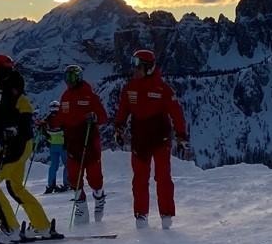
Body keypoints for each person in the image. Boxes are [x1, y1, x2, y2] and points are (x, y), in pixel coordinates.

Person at [0, 53, 61, 244]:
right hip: (20, 144)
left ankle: (10, 229)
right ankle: (41, 226)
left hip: (15, 145)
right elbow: (2, 117)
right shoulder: (8, 89)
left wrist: (14, 129)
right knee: (14, 186)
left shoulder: (11, 91)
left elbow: (24, 113)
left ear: (2, 70)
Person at [113, 49, 190, 230]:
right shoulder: (129, 88)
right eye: (134, 66)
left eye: (138, 66)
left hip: (160, 139)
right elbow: (123, 110)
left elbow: (176, 113)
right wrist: (119, 127)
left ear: (148, 68)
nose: (134, 70)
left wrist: (181, 135)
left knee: (162, 177)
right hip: (139, 140)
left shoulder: (162, 89)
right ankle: (141, 215)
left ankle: (166, 215)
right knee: (139, 179)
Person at [54, 64, 108, 221]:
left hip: (89, 143)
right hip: (72, 143)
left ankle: (99, 198)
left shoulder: (89, 96)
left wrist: (94, 117)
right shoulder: (65, 96)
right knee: (74, 177)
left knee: (94, 178)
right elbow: (61, 118)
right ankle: (81, 207)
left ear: (78, 78)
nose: (69, 82)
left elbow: (103, 117)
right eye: (66, 78)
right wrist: (49, 123)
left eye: (71, 78)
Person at [40, 99, 68, 194]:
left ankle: (51, 184)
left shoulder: (47, 119)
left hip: (52, 145)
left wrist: (47, 138)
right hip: (63, 144)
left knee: (53, 166)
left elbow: (43, 130)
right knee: (67, 164)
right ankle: (67, 183)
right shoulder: (63, 117)